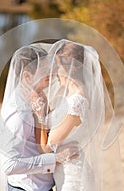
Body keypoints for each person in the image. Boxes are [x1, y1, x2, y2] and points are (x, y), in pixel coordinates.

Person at [33, 39, 111, 190]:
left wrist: (38, 117)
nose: (54, 73)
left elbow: (47, 148)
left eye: (57, 67)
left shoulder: (77, 102)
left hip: (73, 176)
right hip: (64, 172)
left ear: (68, 70)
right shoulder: (69, 98)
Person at [0, 45, 79, 191]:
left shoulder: (38, 97)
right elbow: (9, 165)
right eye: (44, 71)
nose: (51, 74)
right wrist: (56, 159)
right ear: (27, 76)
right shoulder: (20, 113)